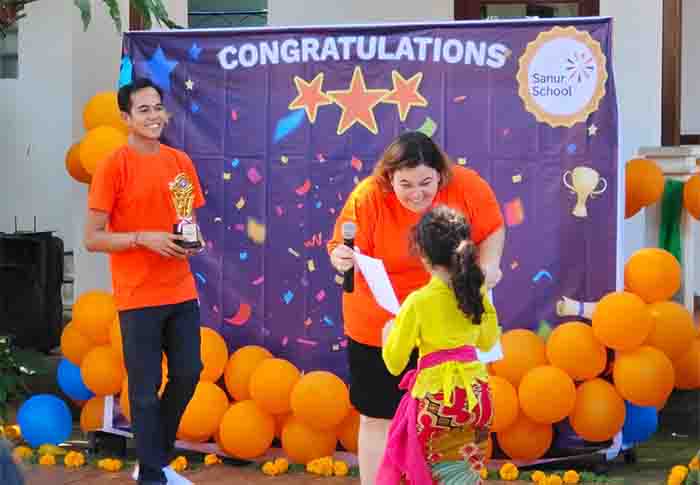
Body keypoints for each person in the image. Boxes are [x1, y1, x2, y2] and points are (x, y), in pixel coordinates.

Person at [327, 132, 505, 484]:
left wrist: (488, 268)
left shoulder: (468, 186)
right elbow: (339, 248)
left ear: (442, 173)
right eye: (405, 184)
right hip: (377, 318)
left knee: (447, 426)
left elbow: (492, 228)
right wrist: (341, 257)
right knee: (379, 415)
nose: (416, 193)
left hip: (446, 326)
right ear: (388, 178)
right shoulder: (367, 197)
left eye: (426, 182)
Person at [84, 78, 205, 485]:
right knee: (143, 389)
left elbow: (188, 221)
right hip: (137, 295)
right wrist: (142, 238)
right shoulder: (113, 166)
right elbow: (92, 237)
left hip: (180, 289)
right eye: (144, 110)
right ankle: (152, 474)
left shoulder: (180, 163)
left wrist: (193, 240)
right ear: (125, 118)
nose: (154, 117)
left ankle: (154, 457)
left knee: (189, 372)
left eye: (158, 108)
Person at [377, 205, 500, 484]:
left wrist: (388, 336)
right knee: (465, 475)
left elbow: (394, 363)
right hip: (476, 398)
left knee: (429, 476)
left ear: (423, 254)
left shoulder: (418, 302)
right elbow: (488, 340)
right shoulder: (476, 291)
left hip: (437, 402)